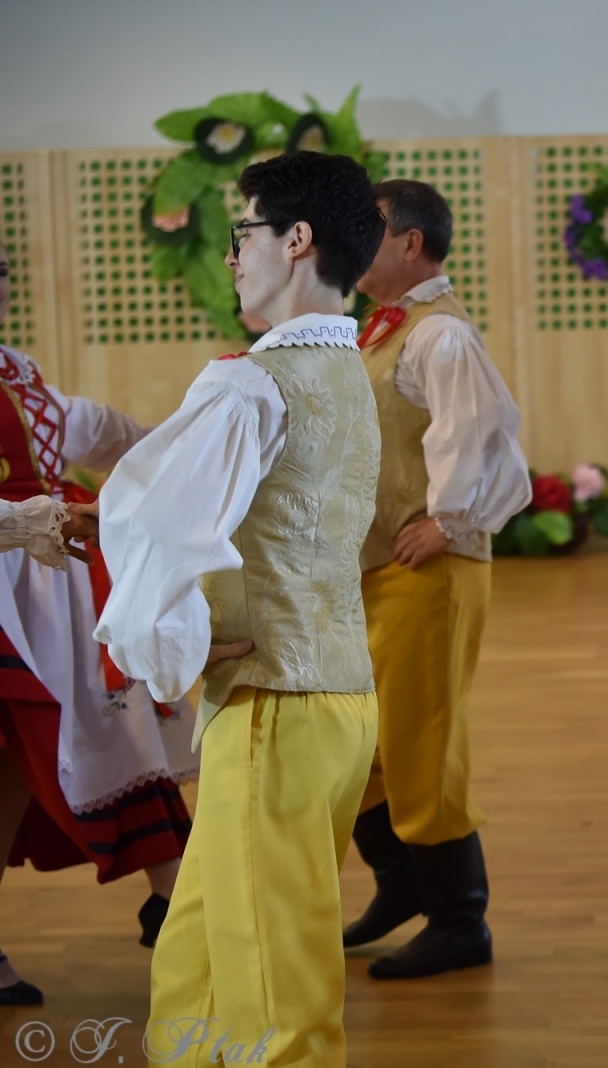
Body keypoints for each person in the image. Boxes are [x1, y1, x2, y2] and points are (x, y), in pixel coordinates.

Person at [93, 150, 385, 1066]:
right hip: (342, 701)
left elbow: (157, 532)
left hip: (272, 706)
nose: (232, 256)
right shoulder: (352, 376)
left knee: (269, 992)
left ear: (296, 240)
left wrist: (173, 649)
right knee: (205, 954)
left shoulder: (250, 383)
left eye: (243, 232)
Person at [339, 179, 529, 980]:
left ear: (410, 243)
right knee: (367, 745)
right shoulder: (385, 331)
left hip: (431, 564)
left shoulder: (438, 336)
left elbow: (480, 435)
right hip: (385, 565)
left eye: (368, 232)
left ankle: (460, 920)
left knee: (421, 740)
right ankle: (403, 887)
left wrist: (448, 519)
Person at [0, 241, 199, 1007]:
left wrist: (196, 461)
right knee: (73, 738)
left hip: (48, 600)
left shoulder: (20, 374)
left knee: (43, 757)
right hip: (19, 598)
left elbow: (109, 432)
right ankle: (177, 902)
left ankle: (176, 903)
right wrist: (37, 521)